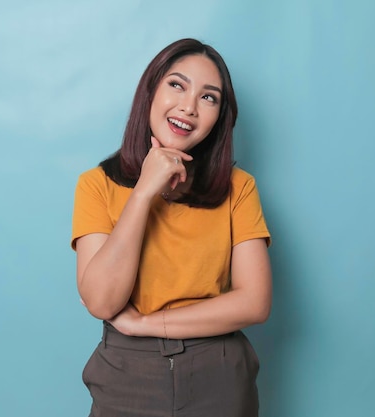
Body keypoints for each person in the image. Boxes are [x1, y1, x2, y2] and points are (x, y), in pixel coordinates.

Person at [71, 38, 272, 417]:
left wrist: (146, 324)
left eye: (208, 98)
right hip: (126, 374)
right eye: (177, 85)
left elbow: (255, 302)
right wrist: (144, 191)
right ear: (150, 92)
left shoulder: (239, 188)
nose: (189, 107)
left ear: (220, 118)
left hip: (219, 370)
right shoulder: (95, 185)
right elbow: (101, 301)